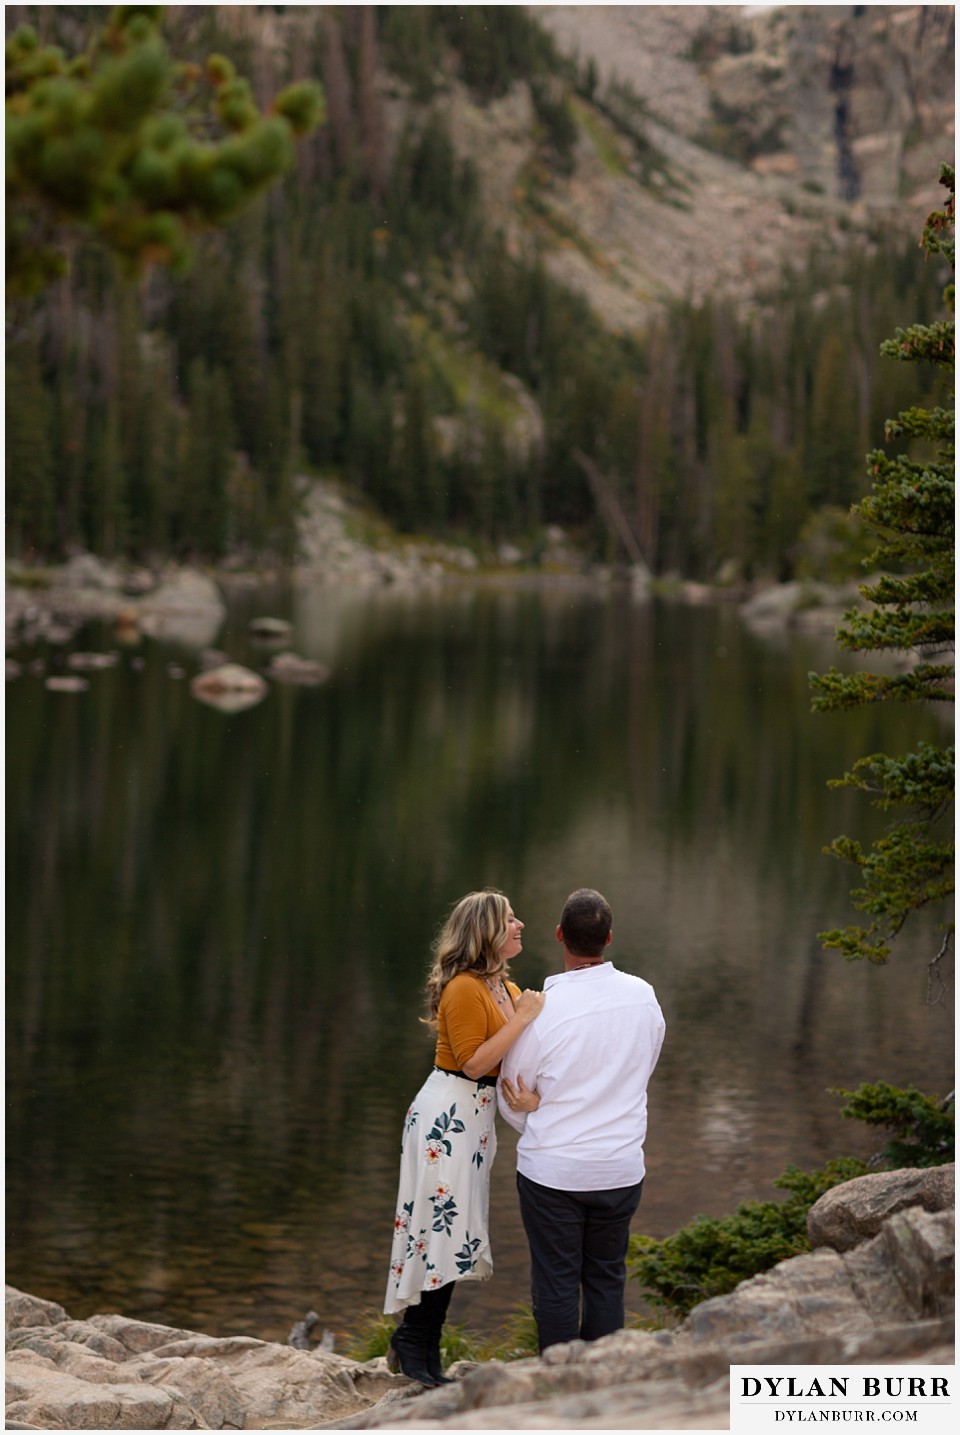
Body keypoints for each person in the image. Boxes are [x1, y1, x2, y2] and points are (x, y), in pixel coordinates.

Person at [384, 890, 544, 1386]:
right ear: (486, 931)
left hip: (474, 1123)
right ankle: (416, 1340)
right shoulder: (464, 988)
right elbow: (475, 1062)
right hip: (446, 1118)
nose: (519, 925)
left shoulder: (508, 991)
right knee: (441, 1229)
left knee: (453, 1232)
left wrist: (532, 1098)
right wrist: (521, 1021)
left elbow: (516, 1059)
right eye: (510, 919)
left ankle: (420, 1341)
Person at [498, 888, 665, 1353]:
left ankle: (557, 1391)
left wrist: (540, 1115)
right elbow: (641, 1068)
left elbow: (510, 1093)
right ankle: (602, 1390)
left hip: (553, 1171)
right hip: (619, 1166)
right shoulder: (644, 997)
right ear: (608, 938)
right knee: (607, 1280)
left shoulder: (542, 1009)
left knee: (556, 1283)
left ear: (558, 936)